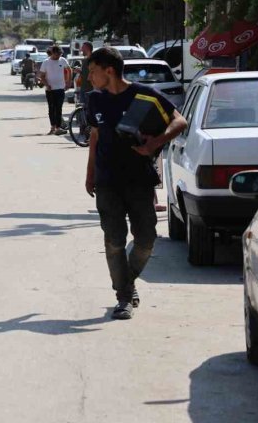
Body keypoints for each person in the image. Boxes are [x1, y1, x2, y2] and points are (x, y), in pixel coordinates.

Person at [84, 47, 188, 320]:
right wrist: (89, 173)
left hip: (139, 180)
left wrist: (155, 142)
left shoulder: (144, 95)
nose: (89, 77)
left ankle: (126, 282)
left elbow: (180, 121)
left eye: (93, 71)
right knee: (114, 241)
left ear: (109, 71)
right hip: (107, 181)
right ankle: (124, 297)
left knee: (145, 241)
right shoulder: (94, 100)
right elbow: (94, 137)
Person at [38, 45, 71, 134]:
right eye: (57, 55)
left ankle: (58, 127)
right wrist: (46, 84)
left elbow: (69, 70)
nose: (58, 56)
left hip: (60, 88)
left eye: (60, 54)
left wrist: (68, 82)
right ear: (52, 53)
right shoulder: (46, 62)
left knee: (59, 108)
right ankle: (52, 127)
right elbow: (41, 76)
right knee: (51, 108)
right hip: (50, 90)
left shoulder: (63, 60)